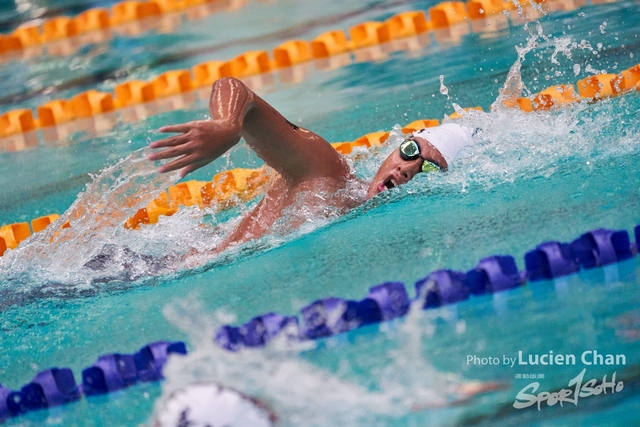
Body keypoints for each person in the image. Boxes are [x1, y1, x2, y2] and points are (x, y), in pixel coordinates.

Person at [148, 77, 473, 251]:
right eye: (410, 150)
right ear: (396, 147)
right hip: (151, 267)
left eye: (428, 168)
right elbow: (235, 88)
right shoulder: (327, 171)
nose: (408, 168)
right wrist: (227, 124)